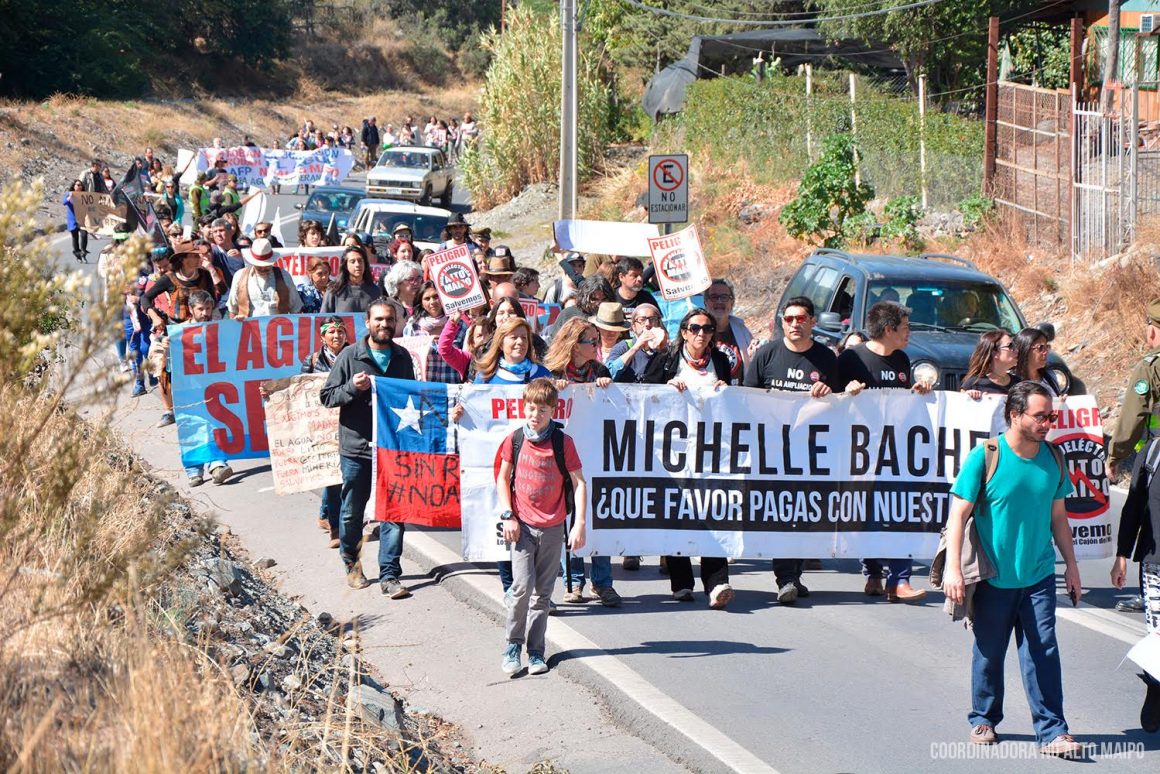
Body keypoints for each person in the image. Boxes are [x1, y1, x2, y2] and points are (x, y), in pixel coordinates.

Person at [943, 381, 1083, 757]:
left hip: (1038, 576)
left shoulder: (1054, 458)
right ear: (1014, 415)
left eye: (1051, 416)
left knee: (1043, 651)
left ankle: (1053, 731)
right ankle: (983, 718)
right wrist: (953, 570)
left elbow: (1059, 517)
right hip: (994, 577)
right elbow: (958, 515)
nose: (1047, 423)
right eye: (1040, 416)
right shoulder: (985, 456)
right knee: (989, 652)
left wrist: (1071, 566)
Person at [744, 297, 840, 604]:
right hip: (774, 450)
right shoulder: (766, 354)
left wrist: (830, 393)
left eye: (801, 318)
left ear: (812, 322)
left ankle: (794, 574)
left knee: (806, 512)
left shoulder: (826, 358)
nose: (794, 324)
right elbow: (746, 397)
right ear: (781, 323)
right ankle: (784, 577)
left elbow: (843, 404)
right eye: (789, 319)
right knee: (784, 512)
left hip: (813, 451)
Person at [837, 300, 933, 602]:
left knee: (899, 507)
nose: (909, 333)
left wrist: (917, 394)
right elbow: (829, 402)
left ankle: (900, 579)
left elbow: (903, 402)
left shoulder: (903, 360)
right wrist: (846, 392)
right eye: (905, 328)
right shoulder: (852, 358)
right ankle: (874, 573)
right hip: (860, 451)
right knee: (867, 513)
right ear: (889, 329)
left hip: (897, 451)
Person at [320, 299, 415, 596]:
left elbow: (411, 397)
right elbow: (327, 397)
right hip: (357, 448)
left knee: (394, 512)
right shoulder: (350, 356)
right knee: (351, 512)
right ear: (367, 322)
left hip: (392, 447)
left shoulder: (402, 357)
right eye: (378, 319)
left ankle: (390, 575)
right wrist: (351, 388)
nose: (384, 325)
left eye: (389, 319)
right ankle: (352, 563)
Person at [643, 308, 734, 608]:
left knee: (714, 513)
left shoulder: (720, 361)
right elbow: (643, 392)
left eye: (707, 329)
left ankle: (717, 581)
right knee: (678, 514)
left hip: (712, 453)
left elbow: (737, 402)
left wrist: (726, 390)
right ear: (684, 332)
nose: (701, 334)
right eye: (695, 328)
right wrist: (666, 388)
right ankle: (681, 583)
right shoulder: (668, 360)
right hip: (675, 453)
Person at [496, 378, 587, 676]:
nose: (536, 415)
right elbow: (502, 477)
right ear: (524, 407)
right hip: (521, 526)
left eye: (543, 410)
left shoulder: (563, 443)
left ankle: (536, 651)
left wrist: (579, 524)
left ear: (553, 410)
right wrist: (508, 515)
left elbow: (579, 483)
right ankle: (513, 645)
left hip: (552, 528)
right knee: (521, 587)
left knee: (543, 593)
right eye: (531, 408)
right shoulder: (515, 440)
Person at [543, 317, 619, 607]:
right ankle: (573, 581)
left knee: (597, 518)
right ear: (575, 345)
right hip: (562, 456)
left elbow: (613, 404)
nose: (597, 346)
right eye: (591, 341)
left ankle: (602, 583)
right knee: (568, 518)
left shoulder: (599, 370)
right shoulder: (552, 372)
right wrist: (555, 387)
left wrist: (606, 386)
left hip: (594, 454)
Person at [141, 240, 227, 427]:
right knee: (163, 367)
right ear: (182, 259)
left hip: (202, 328)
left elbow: (214, 296)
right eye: (193, 256)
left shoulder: (204, 275)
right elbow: (145, 298)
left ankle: (211, 404)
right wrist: (154, 316)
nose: (198, 258)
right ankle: (168, 411)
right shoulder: (169, 279)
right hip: (176, 330)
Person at [1111, 428, 1160, 734]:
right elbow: (1134, 505)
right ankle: (1156, 687)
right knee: (1158, 636)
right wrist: (1121, 554)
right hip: (1156, 561)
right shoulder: (1154, 450)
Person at [169, 290, 233, 487]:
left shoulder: (217, 329)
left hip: (212, 386)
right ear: (190, 309)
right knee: (191, 426)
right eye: (200, 309)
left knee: (215, 423)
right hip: (187, 389)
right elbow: (167, 364)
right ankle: (194, 470)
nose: (204, 313)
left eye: (207, 308)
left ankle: (217, 465)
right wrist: (166, 348)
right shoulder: (178, 332)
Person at [301, 316, 350, 548]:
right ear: (322, 337)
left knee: (349, 476)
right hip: (323, 427)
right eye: (331, 332)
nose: (336, 335)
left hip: (350, 423)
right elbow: (298, 389)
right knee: (331, 477)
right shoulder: (311, 360)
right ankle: (336, 529)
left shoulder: (355, 356)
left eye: (340, 331)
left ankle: (326, 514)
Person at [226, 238, 304, 318]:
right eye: (259, 266)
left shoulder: (284, 276)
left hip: (278, 328)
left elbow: (296, 308)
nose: (263, 268)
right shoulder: (239, 276)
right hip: (249, 329)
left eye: (266, 265)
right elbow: (233, 310)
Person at [402, 282, 462, 384]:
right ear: (420, 302)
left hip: (453, 388)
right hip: (424, 389)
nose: (432, 302)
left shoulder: (459, 324)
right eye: (427, 298)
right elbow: (407, 361)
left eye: (436, 297)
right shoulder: (412, 327)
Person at [704, 279, 752, 385]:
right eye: (714, 297)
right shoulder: (697, 331)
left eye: (724, 297)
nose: (719, 301)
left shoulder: (743, 331)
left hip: (739, 396)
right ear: (705, 302)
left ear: (732, 302)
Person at [610, 304, 668, 383]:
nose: (647, 324)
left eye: (653, 319)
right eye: (642, 320)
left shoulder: (665, 351)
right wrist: (635, 347)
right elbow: (608, 374)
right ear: (633, 327)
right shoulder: (623, 347)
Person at [322, 246, 382, 314]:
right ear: (345, 265)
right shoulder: (334, 290)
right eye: (352, 261)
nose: (357, 265)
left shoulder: (375, 291)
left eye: (360, 261)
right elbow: (323, 320)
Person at [961, 330, 1016, 397]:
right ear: (994, 352)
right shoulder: (973, 384)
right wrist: (968, 397)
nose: (1016, 350)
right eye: (1010, 346)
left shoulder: (1019, 383)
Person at [1012, 327, 1063, 396]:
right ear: (1025, 350)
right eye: (1040, 348)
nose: (1046, 352)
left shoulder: (1050, 375)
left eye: (1047, 347)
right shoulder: (1014, 384)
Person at [63, 180, 89, 262]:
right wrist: (70, 197)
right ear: (74, 186)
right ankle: (77, 254)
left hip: (82, 220)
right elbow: (64, 202)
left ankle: (83, 251)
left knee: (84, 234)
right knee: (75, 237)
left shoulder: (84, 195)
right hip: (73, 220)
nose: (79, 186)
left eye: (80, 185)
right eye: (77, 185)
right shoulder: (69, 194)